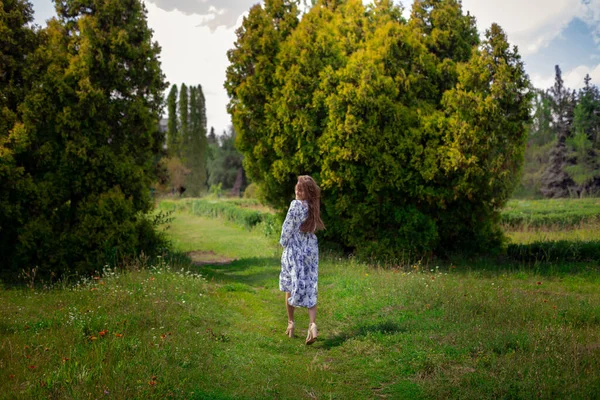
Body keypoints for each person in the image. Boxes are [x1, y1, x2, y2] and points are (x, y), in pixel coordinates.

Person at [279, 175, 325, 345]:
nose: (298, 190)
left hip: (295, 250)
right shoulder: (313, 207)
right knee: (310, 285)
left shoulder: (295, 205)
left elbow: (287, 228)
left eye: (301, 188)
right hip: (310, 250)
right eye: (297, 187)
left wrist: (283, 243)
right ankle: (312, 325)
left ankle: (291, 323)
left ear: (308, 192)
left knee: (289, 284)